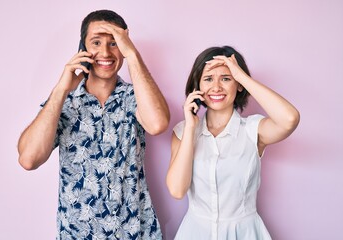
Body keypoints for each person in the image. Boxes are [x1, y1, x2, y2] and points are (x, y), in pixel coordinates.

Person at [18, 9, 169, 239]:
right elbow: (28, 159)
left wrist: (132, 53)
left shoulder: (135, 96)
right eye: (96, 42)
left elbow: (158, 124)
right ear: (82, 48)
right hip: (77, 234)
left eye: (114, 43)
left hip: (136, 232)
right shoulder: (63, 102)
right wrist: (60, 89)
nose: (105, 52)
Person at [166, 46, 300, 240]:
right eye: (208, 78)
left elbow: (290, 119)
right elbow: (177, 190)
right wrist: (190, 128)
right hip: (195, 233)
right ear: (198, 86)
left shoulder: (253, 130)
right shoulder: (182, 132)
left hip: (244, 233)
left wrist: (241, 76)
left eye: (226, 78)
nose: (217, 87)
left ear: (238, 84)